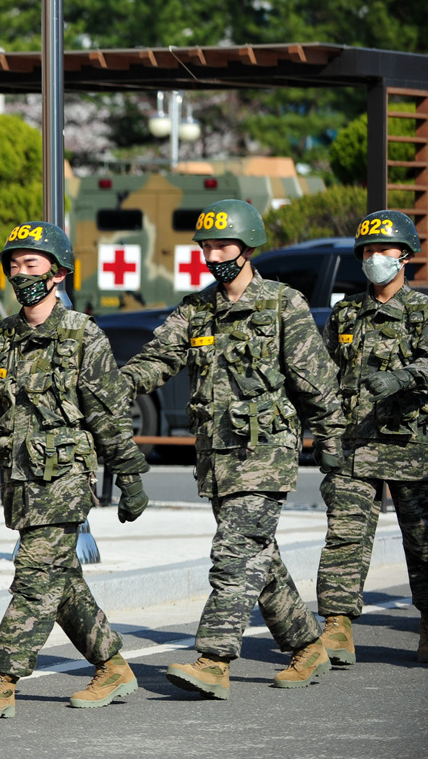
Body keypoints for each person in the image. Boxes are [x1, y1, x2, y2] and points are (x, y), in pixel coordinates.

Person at [122, 199, 344, 699]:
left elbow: (316, 381)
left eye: (222, 245)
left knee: (233, 552)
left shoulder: (284, 304)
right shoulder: (197, 309)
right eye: (206, 247)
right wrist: (119, 384)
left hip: (267, 451)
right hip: (216, 456)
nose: (213, 254)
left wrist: (330, 436)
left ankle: (214, 658)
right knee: (256, 554)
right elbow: (159, 359)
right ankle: (307, 645)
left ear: (246, 246)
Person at [0, 221, 150, 720]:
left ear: (58, 272)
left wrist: (129, 477)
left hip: (64, 480)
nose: (21, 274)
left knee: (35, 575)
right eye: (14, 265)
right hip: (18, 483)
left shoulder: (84, 336)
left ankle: (3, 679)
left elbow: (108, 415)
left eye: (32, 264)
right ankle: (112, 665)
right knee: (60, 580)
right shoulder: (0, 340)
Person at [317, 210, 428, 665]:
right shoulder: (346, 313)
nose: (374, 258)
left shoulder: (422, 311)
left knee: (422, 541)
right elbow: (322, 374)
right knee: (345, 536)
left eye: (382, 250)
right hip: (353, 447)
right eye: (366, 251)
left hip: (410, 449)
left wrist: (402, 377)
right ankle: (337, 626)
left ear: (404, 255)